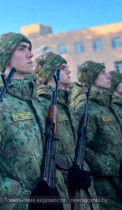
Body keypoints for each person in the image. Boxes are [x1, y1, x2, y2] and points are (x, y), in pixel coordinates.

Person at [0, 32, 70, 209]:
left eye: (30, 49)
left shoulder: (38, 103)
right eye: (22, 49)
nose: (30, 54)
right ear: (6, 56)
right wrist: (27, 200)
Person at [34, 52, 99, 210]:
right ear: (50, 73)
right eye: (63, 68)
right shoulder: (42, 105)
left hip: (81, 187)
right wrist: (66, 175)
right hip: (61, 188)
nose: (69, 71)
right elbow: (45, 153)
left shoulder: (67, 106)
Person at [70, 61, 122, 209]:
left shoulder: (109, 105)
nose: (108, 77)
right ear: (92, 77)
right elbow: (83, 150)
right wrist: (115, 167)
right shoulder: (86, 108)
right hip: (105, 186)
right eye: (102, 73)